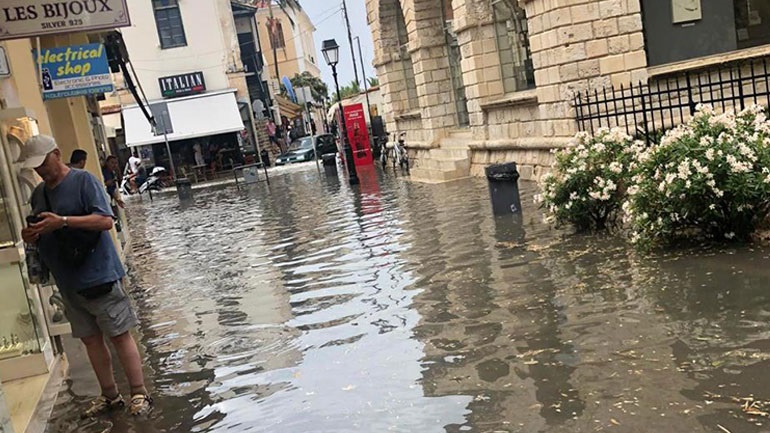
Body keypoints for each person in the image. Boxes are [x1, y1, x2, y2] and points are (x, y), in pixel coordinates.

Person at [19, 135, 152, 417]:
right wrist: (30, 233)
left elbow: (105, 220)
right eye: (35, 167)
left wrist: (64, 221)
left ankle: (139, 392)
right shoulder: (39, 193)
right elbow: (37, 227)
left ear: (56, 154)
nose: (40, 170)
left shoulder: (84, 181)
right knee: (90, 340)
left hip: (99, 275)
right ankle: (110, 396)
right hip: (67, 280)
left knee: (119, 334)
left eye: (43, 163)